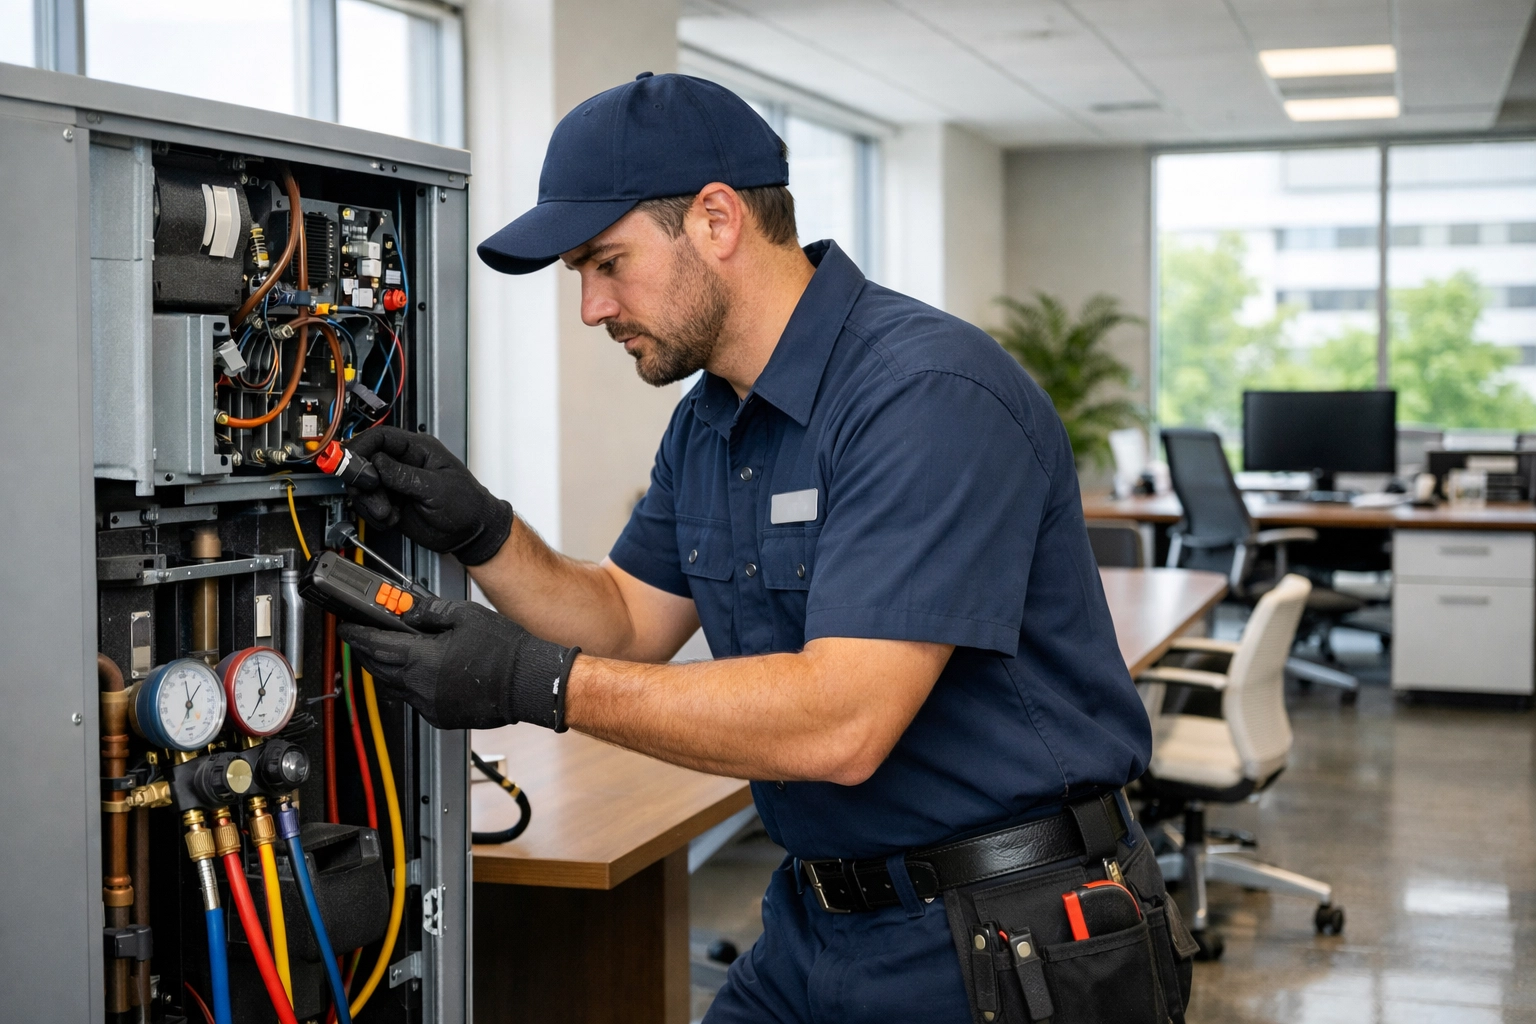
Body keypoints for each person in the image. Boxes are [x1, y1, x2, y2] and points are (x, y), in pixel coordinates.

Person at [338, 72, 1194, 1024]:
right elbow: (626, 618)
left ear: (715, 220)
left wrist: (535, 682)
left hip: (1010, 939)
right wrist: (481, 530)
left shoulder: (925, 395)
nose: (589, 307)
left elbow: (842, 723)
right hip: (819, 924)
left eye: (605, 263)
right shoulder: (711, 422)